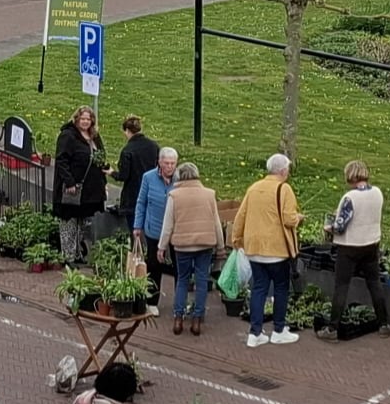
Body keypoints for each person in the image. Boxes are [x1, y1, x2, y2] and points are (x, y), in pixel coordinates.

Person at [230, 154, 302, 347]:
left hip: (254, 247)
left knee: (258, 288)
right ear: (283, 171)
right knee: (280, 288)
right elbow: (288, 219)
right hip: (276, 249)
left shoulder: (253, 188)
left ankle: (255, 333)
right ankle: (278, 330)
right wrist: (298, 218)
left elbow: (241, 216)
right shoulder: (284, 189)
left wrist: (236, 239)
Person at [322, 160, 390, 339]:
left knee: (341, 286)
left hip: (350, 246)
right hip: (371, 244)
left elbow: (341, 226)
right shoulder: (377, 193)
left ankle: (332, 328)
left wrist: (329, 228)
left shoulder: (350, 198)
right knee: (374, 283)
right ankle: (384, 324)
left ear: (350, 176)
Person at [156, 161, 225, 336]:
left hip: (182, 245)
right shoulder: (209, 194)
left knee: (182, 281)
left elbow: (168, 224)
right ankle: (197, 320)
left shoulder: (174, 195)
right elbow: (216, 222)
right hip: (205, 244)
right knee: (202, 281)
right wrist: (221, 246)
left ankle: (178, 318)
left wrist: (161, 246)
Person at [53, 107, 108, 266]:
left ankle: (78, 253)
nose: (85, 122)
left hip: (90, 190)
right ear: (76, 119)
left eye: (88, 119)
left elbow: (100, 159)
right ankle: (68, 256)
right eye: (82, 119)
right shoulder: (68, 136)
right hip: (72, 189)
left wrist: (103, 182)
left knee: (81, 222)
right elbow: (61, 161)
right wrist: (69, 182)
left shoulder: (95, 137)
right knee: (69, 222)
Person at [129, 146, 178, 310]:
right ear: (159, 162)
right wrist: (138, 225)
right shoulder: (148, 178)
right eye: (167, 163)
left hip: (175, 231)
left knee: (179, 267)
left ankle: (179, 303)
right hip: (154, 228)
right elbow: (141, 202)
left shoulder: (180, 179)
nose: (170, 167)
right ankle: (152, 301)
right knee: (154, 265)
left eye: (173, 163)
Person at [111, 115, 159, 233]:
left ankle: (136, 250)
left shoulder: (127, 150)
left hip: (133, 195)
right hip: (151, 191)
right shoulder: (153, 146)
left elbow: (123, 176)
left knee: (135, 230)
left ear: (127, 131)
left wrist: (112, 173)